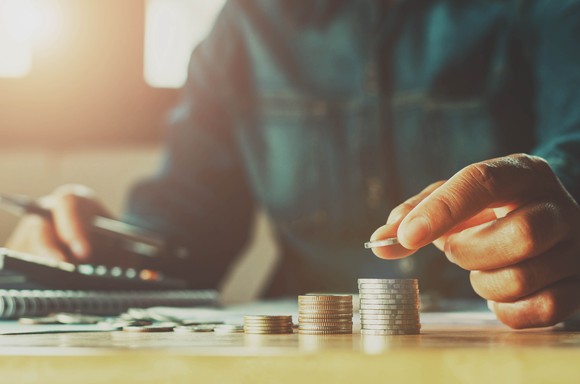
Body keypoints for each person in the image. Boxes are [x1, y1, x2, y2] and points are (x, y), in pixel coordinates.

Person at [6, 0, 580, 329]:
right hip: (303, 352)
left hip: (517, 339)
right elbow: (180, 236)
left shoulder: (539, 10)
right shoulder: (240, 32)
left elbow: (572, 146)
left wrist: (555, 208)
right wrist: (89, 244)